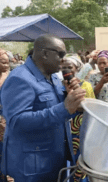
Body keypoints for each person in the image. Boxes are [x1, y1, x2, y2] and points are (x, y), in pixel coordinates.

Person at [0, 34, 86, 181]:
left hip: (54, 162)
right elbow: (17, 121)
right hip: (32, 168)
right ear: (45, 53)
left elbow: (58, 114)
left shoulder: (53, 77)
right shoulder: (19, 78)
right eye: (60, 54)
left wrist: (72, 101)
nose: (64, 59)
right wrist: (64, 108)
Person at [61, 54, 95, 182]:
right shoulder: (59, 85)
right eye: (64, 67)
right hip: (65, 125)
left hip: (81, 126)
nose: (67, 70)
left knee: (81, 155)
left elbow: (90, 105)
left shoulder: (86, 85)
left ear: (77, 68)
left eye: (70, 67)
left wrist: (73, 102)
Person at [0, 49, 10, 182]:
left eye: (8, 62)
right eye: (3, 62)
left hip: (6, 120)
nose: (7, 65)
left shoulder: (12, 76)